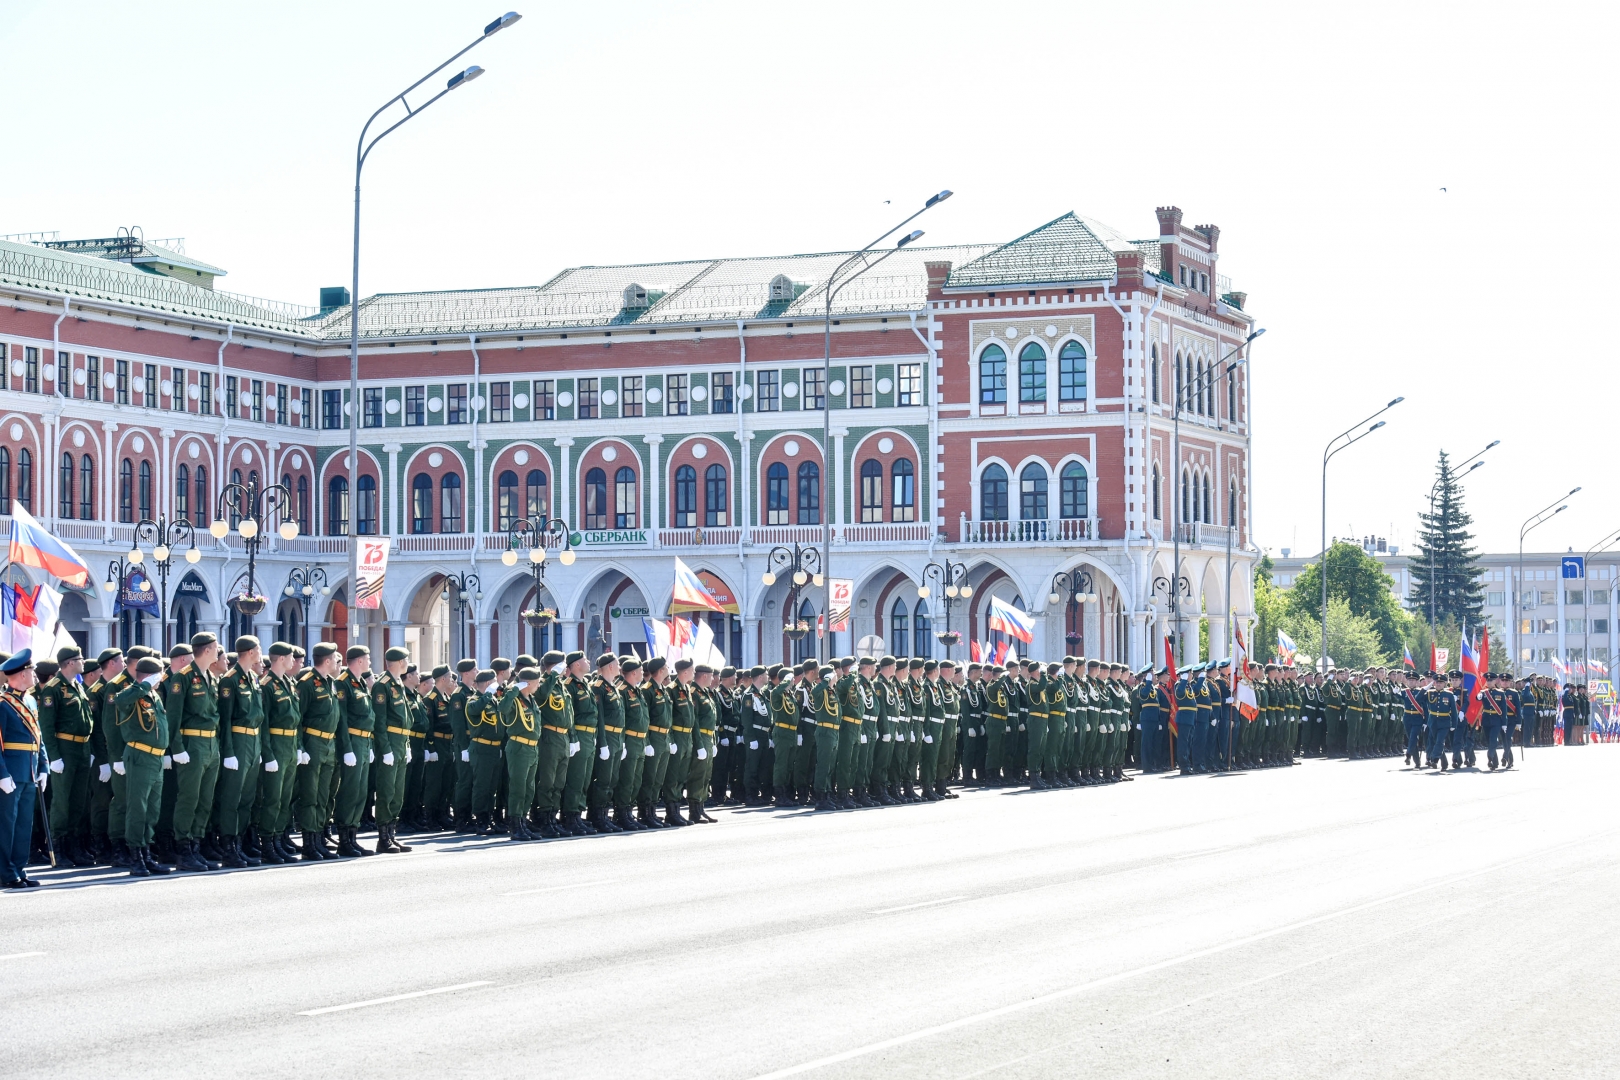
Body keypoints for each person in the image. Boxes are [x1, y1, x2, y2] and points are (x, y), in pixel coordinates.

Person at [166, 632, 223, 873]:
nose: (218, 651)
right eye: (216, 647)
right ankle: (183, 848)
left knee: (205, 800)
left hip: (210, 744)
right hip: (192, 745)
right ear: (208, 649)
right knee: (189, 798)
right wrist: (177, 748)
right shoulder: (184, 677)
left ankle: (197, 846)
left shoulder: (210, 677)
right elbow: (173, 717)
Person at [38, 645, 93, 867]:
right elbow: (47, 726)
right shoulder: (53, 689)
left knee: (78, 801)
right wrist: (54, 757)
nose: (83, 662)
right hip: (64, 749)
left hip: (82, 749)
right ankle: (58, 847)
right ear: (70, 662)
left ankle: (73, 845)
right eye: (80, 659)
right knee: (62, 801)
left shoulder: (76, 686)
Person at [215, 636, 266, 868]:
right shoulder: (230, 680)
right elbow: (224, 720)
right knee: (232, 798)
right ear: (250, 652)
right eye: (258, 649)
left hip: (253, 740)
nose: (260, 652)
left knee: (247, 797)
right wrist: (228, 751)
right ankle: (228, 846)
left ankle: (240, 842)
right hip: (237, 739)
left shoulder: (253, 678)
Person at [0, 650, 46, 888]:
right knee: (7, 823)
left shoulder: (29, 700)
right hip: (11, 772)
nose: (34, 675)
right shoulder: (3, 704)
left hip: (30, 769)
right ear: (19, 674)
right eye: (30, 671)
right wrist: (2, 774)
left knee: (24, 823)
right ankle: (5, 871)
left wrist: (44, 766)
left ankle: (19, 867)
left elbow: (39, 736)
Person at [294, 642, 342, 860]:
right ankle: (309, 842)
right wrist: (300, 747)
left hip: (328, 744)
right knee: (310, 795)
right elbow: (298, 719)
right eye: (334, 657)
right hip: (313, 742)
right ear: (328, 660)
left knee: (323, 795)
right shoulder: (306, 684)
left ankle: (319, 838)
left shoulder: (330, 683)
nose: (337, 660)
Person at [333, 645, 376, 858]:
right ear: (359, 660)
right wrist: (347, 748)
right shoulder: (343, 683)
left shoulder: (359, 682)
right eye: (367, 659)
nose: (369, 662)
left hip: (364, 740)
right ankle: (343, 838)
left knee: (360, 791)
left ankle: (353, 835)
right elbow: (341, 719)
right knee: (350, 791)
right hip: (352, 740)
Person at [370, 646, 413, 854]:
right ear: (399, 662)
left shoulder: (398, 684)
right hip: (389, 741)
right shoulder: (383, 685)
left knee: (397, 791)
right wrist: (385, 748)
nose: (408, 662)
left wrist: (407, 745)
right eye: (406, 659)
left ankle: (392, 832)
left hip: (401, 741)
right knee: (386, 790)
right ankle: (383, 837)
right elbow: (379, 720)